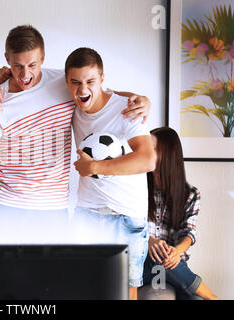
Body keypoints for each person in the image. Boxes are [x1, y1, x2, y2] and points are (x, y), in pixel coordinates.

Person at [0, 25, 151, 244]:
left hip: (52, 208)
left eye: (32, 64)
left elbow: (100, 95)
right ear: (7, 59)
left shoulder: (64, 82)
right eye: (17, 66)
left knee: (50, 278)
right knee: (1, 277)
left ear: (43, 58)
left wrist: (141, 99)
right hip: (6, 205)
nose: (25, 74)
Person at [66, 47, 156, 300]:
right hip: (87, 213)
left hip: (124, 216)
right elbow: (32, 73)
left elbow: (147, 159)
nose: (83, 89)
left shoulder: (127, 109)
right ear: (66, 81)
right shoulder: (73, 105)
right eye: (75, 82)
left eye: (90, 82)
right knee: (80, 290)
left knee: (124, 295)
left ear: (102, 80)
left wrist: (94, 168)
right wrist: (6, 74)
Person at [143, 126, 219, 300]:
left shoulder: (190, 194)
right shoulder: (136, 189)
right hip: (143, 269)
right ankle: (213, 297)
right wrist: (148, 241)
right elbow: (124, 227)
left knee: (195, 299)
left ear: (168, 154)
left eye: (153, 149)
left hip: (173, 268)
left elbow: (188, 233)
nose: (145, 152)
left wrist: (176, 252)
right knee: (158, 255)